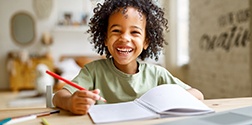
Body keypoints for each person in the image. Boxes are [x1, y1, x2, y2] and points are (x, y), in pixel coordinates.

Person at [53, 0, 204, 115]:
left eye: (135, 32)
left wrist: (167, 99)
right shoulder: (93, 71)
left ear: (146, 41)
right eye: (117, 30)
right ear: (105, 38)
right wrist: (70, 102)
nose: (125, 38)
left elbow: (198, 95)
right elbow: (59, 96)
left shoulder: (158, 74)